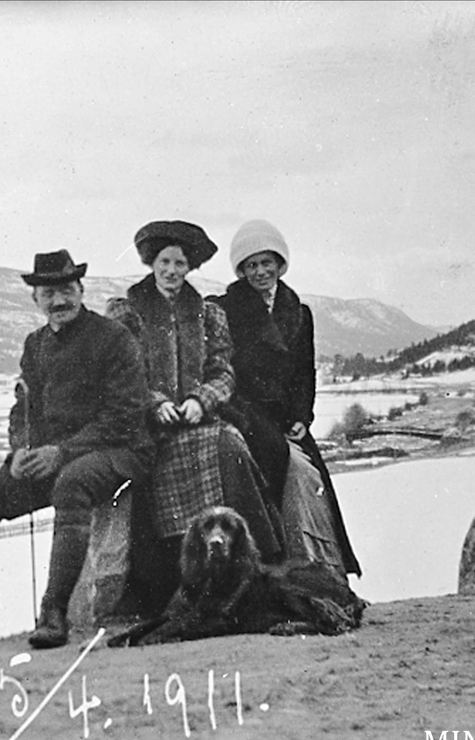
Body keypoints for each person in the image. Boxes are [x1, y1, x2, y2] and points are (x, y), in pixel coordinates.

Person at [0, 249, 154, 649]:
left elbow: (124, 417)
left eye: (67, 290)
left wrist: (61, 452)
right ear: (35, 300)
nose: (59, 301)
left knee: (71, 484)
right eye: (49, 294)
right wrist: (20, 449)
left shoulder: (114, 339)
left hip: (122, 453)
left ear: (80, 289)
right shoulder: (35, 345)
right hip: (60, 456)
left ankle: (54, 615)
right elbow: (23, 409)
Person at [116, 220, 284, 615]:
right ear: (151, 264)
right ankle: (162, 584)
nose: (172, 271)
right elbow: (124, 374)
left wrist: (200, 400)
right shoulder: (128, 313)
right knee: (144, 475)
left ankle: (260, 557)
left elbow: (223, 372)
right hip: (150, 424)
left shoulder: (208, 314)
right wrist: (155, 403)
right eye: (165, 262)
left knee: (232, 446)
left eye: (180, 263)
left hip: (199, 419)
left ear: (190, 267)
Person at [212, 219, 361, 579]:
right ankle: (274, 560)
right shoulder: (226, 308)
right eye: (251, 265)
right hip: (245, 410)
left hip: (284, 415)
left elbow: (304, 372)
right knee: (274, 460)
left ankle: (327, 570)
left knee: (315, 476)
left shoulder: (299, 312)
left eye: (267, 263)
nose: (260, 272)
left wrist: (301, 416)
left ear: (280, 264)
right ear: (241, 270)